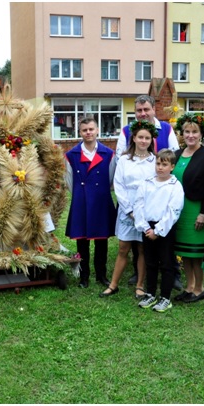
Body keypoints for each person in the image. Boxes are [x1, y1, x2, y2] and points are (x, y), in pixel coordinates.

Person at [115, 95, 181, 288]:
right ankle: (140, 274)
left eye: (146, 109)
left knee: (164, 236)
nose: (143, 113)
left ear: (153, 109)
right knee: (140, 242)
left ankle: (172, 273)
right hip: (133, 197)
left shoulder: (166, 129)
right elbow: (120, 159)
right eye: (139, 110)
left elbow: (174, 155)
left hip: (159, 193)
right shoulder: (127, 131)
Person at [99, 120, 156, 299]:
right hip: (127, 208)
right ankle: (114, 284)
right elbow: (119, 185)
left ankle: (139, 285)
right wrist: (129, 210)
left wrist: (143, 212)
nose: (143, 141)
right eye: (141, 137)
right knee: (123, 247)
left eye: (147, 138)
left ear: (151, 140)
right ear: (134, 138)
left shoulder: (155, 161)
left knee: (141, 248)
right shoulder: (124, 159)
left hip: (146, 209)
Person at [65, 117, 116, 288]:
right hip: (81, 202)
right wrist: (82, 195)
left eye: (91, 129)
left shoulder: (108, 154)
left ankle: (101, 275)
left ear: (97, 130)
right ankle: (84, 276)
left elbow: (110, 180)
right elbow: (69, 181)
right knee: (82, 242)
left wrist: (96, 192)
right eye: (85, 130)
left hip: (101, 201)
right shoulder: (71, 155)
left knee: (102, 241)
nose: (88, 132)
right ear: (79, 132)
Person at [172, 113, 204, 304]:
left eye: (194, 132)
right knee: (185, 253)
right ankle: (189, 287)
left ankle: (199, 288)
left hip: (196, 209)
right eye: (187, 132)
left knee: (196, 254)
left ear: (201, 134)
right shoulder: (176, 154)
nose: (190, 135)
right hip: (179, 211)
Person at [133, 149, 184, 312]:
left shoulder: (175, 186)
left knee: (167, 263)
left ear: (172, 166)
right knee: (150, 262)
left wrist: (158, 230)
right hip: (148, 227)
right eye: (158, 163)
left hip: (165, 228)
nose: (160, 167)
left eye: (164, 164)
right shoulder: (147, 183)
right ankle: (150, 293)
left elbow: (173, 210)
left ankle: (165, 297)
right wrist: (146, 227)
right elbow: (138, 204)